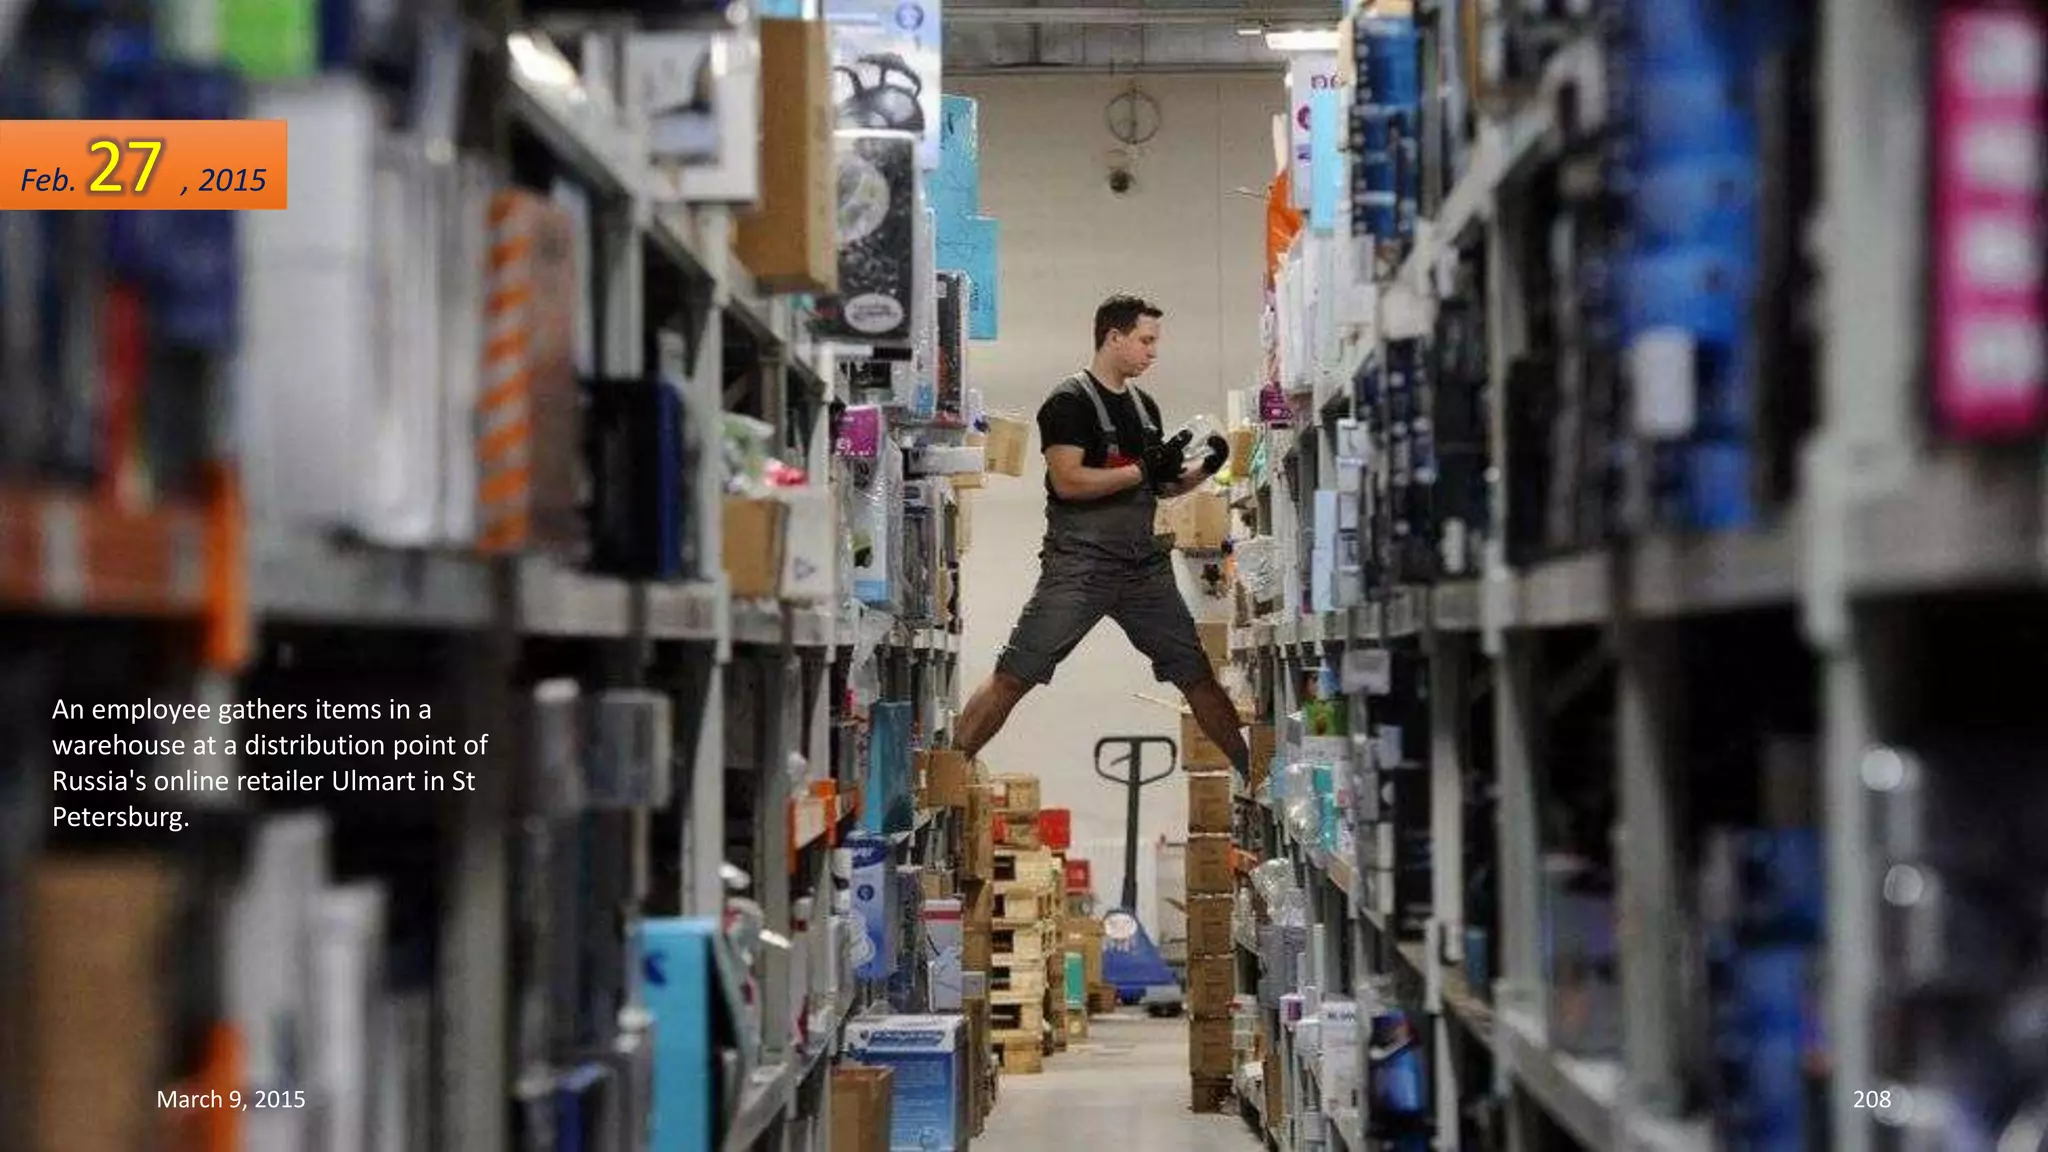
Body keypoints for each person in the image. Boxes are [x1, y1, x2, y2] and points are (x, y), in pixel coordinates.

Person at [953, 294, 1251, 777]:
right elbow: (1069, 482)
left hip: (1143, 570)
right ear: (1114, 337)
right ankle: (944, 772)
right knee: (1016, 673)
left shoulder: (1145, 408)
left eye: (1155, 342)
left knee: (1196, 675)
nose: (1153, 352)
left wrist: (1204, 470)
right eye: (1145, 341)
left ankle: (1254, 774)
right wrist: (1142, 469)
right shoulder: (1068, 403)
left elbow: (1158, 486)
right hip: (1080, 567)